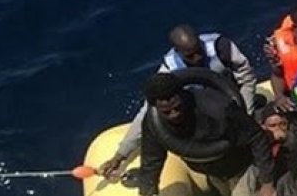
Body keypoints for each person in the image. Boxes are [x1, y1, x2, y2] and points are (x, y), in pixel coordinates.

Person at [99, 24, 258, 179]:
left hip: (232, 105)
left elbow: (247, 78)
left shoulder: (222, 48)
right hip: (204, 114)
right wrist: (121, 155)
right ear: (178, 52)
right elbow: (148, 113)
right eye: (190, 56)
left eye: (199, 51)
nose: (197, 58)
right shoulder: (170, 70)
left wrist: (244, 114)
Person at [126, 72, 275, 196]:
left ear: (182, 95)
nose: (174, 114)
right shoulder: (154, 125)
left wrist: (267, 182)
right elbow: (151, 161)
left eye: (177, 107)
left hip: (242, 166)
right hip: (213, 172)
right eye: (167, 112)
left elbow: (256, 137)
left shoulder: (218, 108)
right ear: (155, 107)